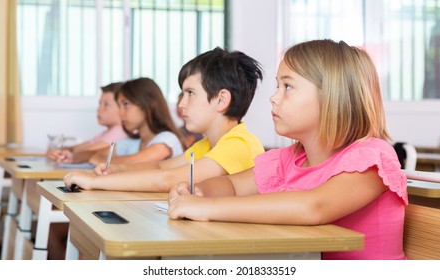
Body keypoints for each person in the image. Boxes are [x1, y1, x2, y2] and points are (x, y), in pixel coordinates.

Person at [167, 39, 408, 260]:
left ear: (333, 96)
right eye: (276, 86)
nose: (273, 97)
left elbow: (313, 207)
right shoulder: (286, 160)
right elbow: (231, 185)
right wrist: (198, 191)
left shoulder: (371, 158)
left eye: (288, 87)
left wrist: (208, 208)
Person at [63, 47, 265, 192]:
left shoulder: (239, 143)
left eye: (190, 93)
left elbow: (168, 179)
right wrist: (118, 168)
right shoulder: (207, 145)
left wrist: (93, 182)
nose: (181, 105)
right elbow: (161, 167)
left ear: (221, 100)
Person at [87, 77, 185, 165]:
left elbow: (134, 162)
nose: (120, 113)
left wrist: (103, 160)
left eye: (126, 104)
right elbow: (96, 156)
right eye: (119, 106)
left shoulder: (168, 140)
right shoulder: (129, 142)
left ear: (148, 105)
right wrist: (99, 159)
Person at [46, 82, 128, 163]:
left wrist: (63, 151)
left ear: (122, 107)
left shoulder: (120, 131)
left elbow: (89, 151)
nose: (99, 109)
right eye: (100, 104)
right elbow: (80, 147)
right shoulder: (106, 133)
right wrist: (64, 150)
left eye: (106, 105)